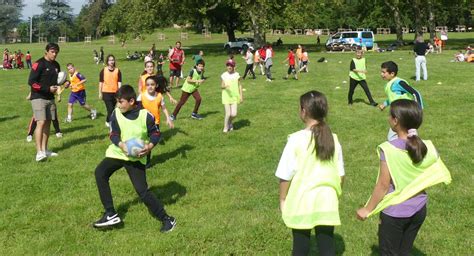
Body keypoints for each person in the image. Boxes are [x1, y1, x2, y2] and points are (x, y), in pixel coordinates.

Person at [357, 99, 452, 256]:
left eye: (390, 115)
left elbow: (383, 185)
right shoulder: (427, 146)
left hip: (395, 213)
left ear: (396, 121)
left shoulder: (388, 149)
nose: (388, 117)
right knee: (404, 252)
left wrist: (367, 209)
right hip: (419, 209)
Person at [92, 85, 176, 232]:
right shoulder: (116, 113)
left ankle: (167, 219)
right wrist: (121, 144)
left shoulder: (145, 115)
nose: (118, 105)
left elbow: (155, 133)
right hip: (118, 152)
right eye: (117, 102)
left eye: (121, 102)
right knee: (100, 173)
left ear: (131, 101)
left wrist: (149, 147)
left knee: (142, 191)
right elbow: (113, 134)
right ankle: (110, 213)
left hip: (136, 157)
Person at [276, 90, 345, 256]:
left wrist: (283, 199)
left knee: (300, 248)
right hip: (327, 200)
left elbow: (285, 174)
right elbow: (340, 173)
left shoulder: (295, 139)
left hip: (302, 200)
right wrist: (334, 194)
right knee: (327, 247)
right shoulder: (333, 138)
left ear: (303, 111)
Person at [28, 43, 61, 161]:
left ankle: (45, 149)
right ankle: (39, 153)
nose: (54, 54)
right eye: (52, 51)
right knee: (41, 122)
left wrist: (64, 83)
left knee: (48, 123)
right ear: (46, 52)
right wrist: (47, 89)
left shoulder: (56, 65)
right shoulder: (39, 64)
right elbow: (31, 82)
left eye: (56, 52)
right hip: (38, 97)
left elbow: (56, 81)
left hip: (50, 98)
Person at [379, 61, 423, 141]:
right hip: (398, 112)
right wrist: (385, 104)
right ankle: (412, 147)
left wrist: (419, 108)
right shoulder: (389, 84)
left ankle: (411, 147)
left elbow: (415, 93)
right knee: (407, 133)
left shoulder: (398, 83)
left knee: (394, 137)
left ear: (392, 73)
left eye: (384, 72)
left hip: (403, 112)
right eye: (381, 72)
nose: (381, 74)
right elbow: (393, 97)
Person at [137, 75, 174, 166]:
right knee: (142, 142)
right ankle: (138, 157)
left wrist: (168, 118)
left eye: (152, 84)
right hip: (142, 123)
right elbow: (135, 108)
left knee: (150, 143)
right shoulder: (141, 96)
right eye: (148, 85)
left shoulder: (159, 96)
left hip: (154, 123)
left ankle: (147, 161)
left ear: (156, 85)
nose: (150, 86)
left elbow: (164, 108)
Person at [99, 54, 122, 127]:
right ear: (107, 61)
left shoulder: (117, 71)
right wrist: (100, 93)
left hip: (115, 93)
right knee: (110, 109)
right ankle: (109, 123)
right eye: (110, 60)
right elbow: (100, 82)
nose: (111, 61)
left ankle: (108, 120)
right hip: (106, 92)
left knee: (112, 109)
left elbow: (119, 83)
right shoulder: (103, 70)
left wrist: (120, 93)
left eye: (112, 60)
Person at [221, 60, 243, 133]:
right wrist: (225, 86)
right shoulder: (224, 75)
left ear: (234, 67)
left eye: (231, 66)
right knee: (228, 113)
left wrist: (241, 96)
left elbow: (240, 85)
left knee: (234, 114)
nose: (229, 67)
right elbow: (222, 86)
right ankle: (225, 127)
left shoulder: (237, 75)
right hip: (226, 96)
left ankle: (229, 122)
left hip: (235, 96)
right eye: (228, 65)